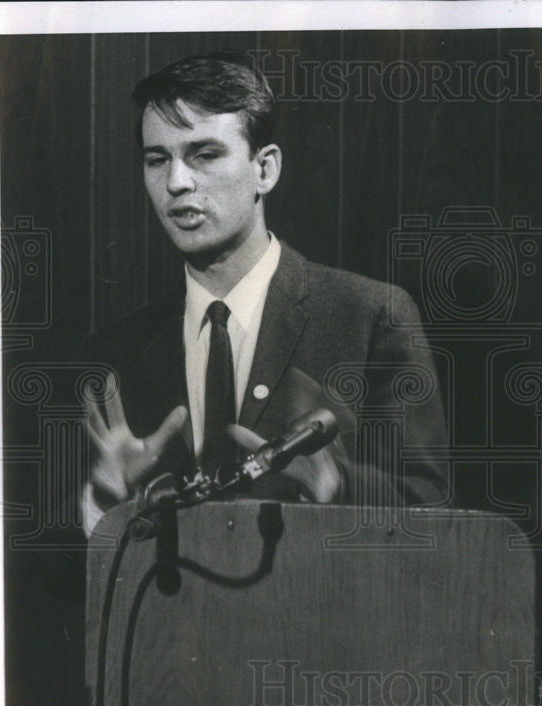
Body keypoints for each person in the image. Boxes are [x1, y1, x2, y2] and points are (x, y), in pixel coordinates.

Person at [84, 51, 448, 532]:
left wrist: (337, 485)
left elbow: (432, 518)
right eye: (158, 160)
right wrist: (106, 496)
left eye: (205, 154)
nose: (176, 182)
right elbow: (54, 581)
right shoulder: (116, 354)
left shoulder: (370, 316)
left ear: (265, 169)